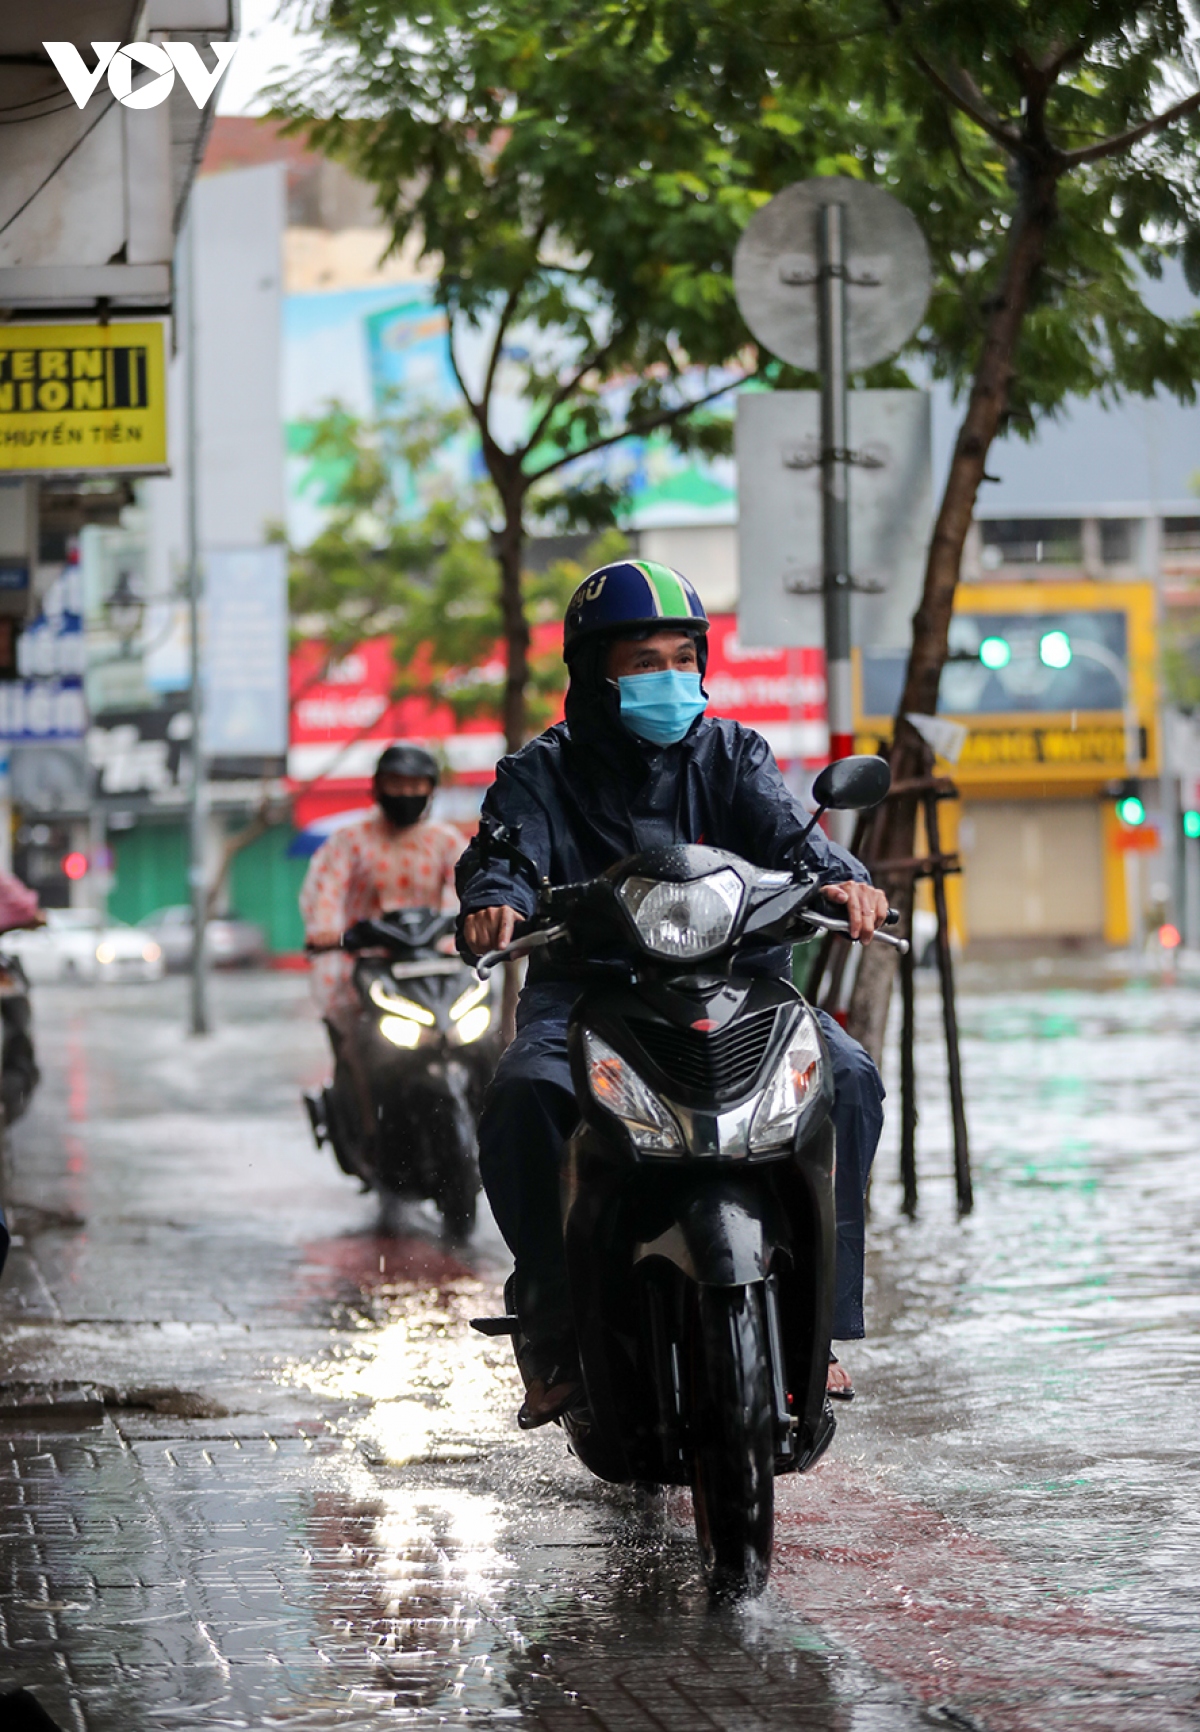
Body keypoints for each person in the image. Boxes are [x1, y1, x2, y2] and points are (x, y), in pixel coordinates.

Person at [456, 560, 888, 1427]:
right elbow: (502, 850)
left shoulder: (733, 753)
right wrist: (494, 899)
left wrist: (843, 883)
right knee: (520, 1095)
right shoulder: (540, 772)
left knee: (848, 1075)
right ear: (591, 672)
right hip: (589, 999)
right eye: (641, 660)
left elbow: (792, 837)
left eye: (681, 657)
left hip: (739, 991)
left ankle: (822, 1322)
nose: (667, 677)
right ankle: (550, 1325)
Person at [301, 743, 463, 1164]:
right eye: (396, 783)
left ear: (431, 790)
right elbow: (326, 891)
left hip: (431, 964)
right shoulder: (350, 842)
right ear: (377, 788)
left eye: (416, 784)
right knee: (354, 1039)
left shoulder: (445, 841)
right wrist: (325, 930)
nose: (406, 792)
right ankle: (367, 1129)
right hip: (367, 965)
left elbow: (472, 887)